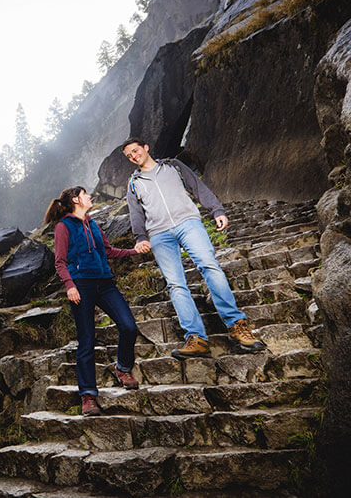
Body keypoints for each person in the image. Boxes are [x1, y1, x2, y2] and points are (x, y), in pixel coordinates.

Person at [121, 137, 265, 359]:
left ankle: (237, 326)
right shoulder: (133, 183)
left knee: (209, 266)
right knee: (176, 285)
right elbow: (136, 214)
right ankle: (196, 338)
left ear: (145, 148)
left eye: (135, 150)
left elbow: (198, 187)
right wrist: (140, 237)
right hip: (159, 234)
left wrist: (216, 210)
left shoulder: (173, 166)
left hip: (188, 223)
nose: (133, 156)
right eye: (129, 155)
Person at [45, 186, 141, 416]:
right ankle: (88, 396)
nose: (91, 197)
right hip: (81, 286)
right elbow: (60, 262)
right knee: (86, 340)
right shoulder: (63, 226)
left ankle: (123, 368)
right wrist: (70, 285)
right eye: (86, 194)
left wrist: (134, 251)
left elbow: (108, 251)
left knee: (129, 326)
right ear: (77, 199)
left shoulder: (94, 224)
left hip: (105, 283)